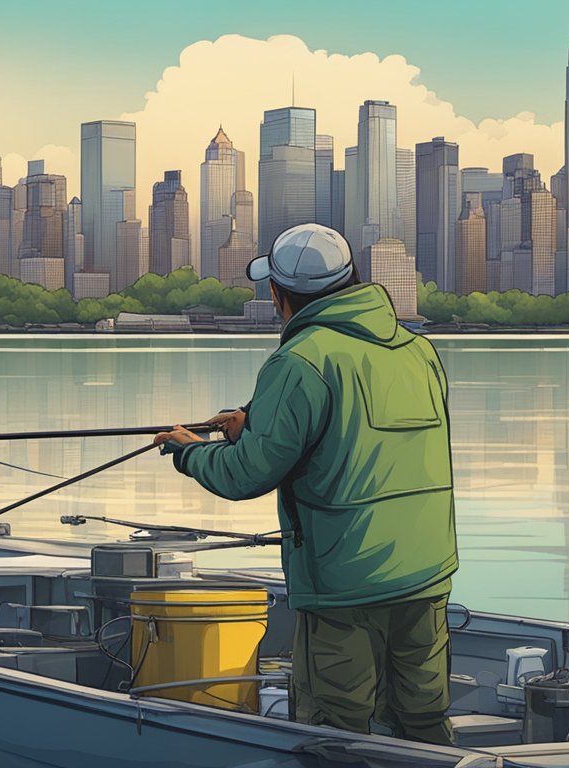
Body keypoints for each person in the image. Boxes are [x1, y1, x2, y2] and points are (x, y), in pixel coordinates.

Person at [154, 222, 458, 745]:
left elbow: (247, 473)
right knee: (423, 718)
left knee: (336, 728)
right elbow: (360, 434)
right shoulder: (419, 352)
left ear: (278, 295)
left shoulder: (298, 362)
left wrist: (189, 452)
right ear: (353, 281)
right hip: (426, 572)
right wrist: (258, 424)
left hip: (345, 579)